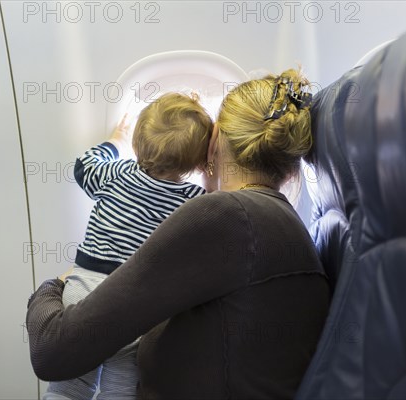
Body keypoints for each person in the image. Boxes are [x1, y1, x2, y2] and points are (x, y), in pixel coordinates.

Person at [27, 69, 330, 399]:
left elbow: (53, 352)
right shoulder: (283, 224)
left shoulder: (223, 216)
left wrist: (56, 285)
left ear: (214, 141)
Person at [44, 92, 214, 399]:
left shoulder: (115, 173)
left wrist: (116, 141)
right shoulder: (191, 199)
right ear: (197, 162)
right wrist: (205, 163)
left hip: (82, 294)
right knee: (120, 387)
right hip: (133, 305)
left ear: (137, 144)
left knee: (70, 385)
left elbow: (83, 166)